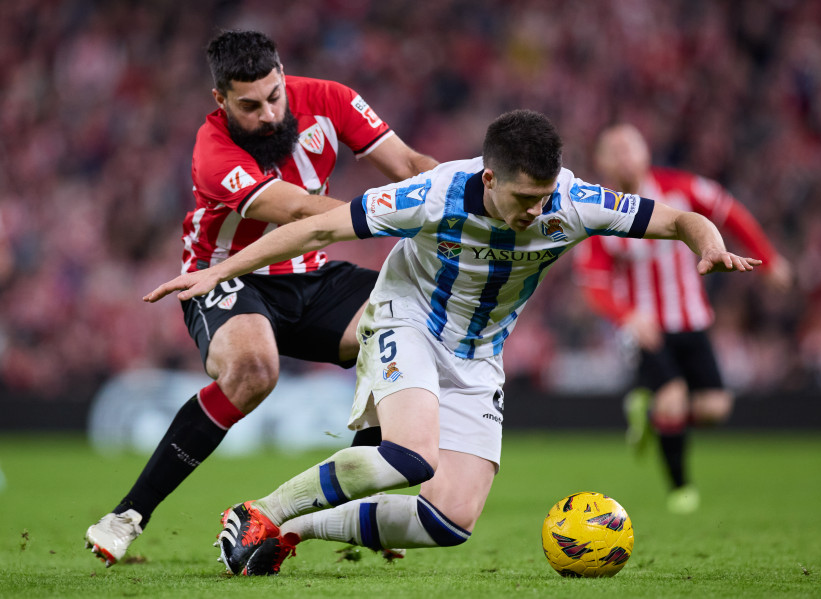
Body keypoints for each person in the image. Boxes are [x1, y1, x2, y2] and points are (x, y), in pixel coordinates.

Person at [143, 109, 762, 576]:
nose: (534, 211)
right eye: (523, 198)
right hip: (405, 319)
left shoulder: (573, 203)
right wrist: (218, 272)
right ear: (489, 177)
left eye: (543, 196)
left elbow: (677, 217)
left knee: (448, 521)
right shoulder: (432, 194)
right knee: (412, 455)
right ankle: (263, 513)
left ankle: (296, 529)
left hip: (479, 354)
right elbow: (321, 227)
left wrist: (706, 244)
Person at [84, 30, 437, 567]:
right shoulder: (212, 151)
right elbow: (297, 211)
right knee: (253, 369)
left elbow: (410, 166)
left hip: (312, 275)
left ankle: (327, 511)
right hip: (225, 275)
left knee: (403, 328)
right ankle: (128, 514)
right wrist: (394, 217)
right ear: (220, 102)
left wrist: (461, 199)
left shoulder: (331, 99)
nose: (270, 115)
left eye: (275, 96)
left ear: (282, 75)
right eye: (250, 106)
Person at [573, 123, 792, 514]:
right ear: (601, 161)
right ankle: (681, 490)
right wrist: (627, 317)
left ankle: (649, 412)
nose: (624, 155)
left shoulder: (681, 188)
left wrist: (769, 258)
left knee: (715, 408)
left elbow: (731, 213)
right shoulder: (595, 212)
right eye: (615, 149)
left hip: (691, 320)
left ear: (645, 152)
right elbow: (594, 284)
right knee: (673, 398)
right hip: (645, 329)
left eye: (630, 147)